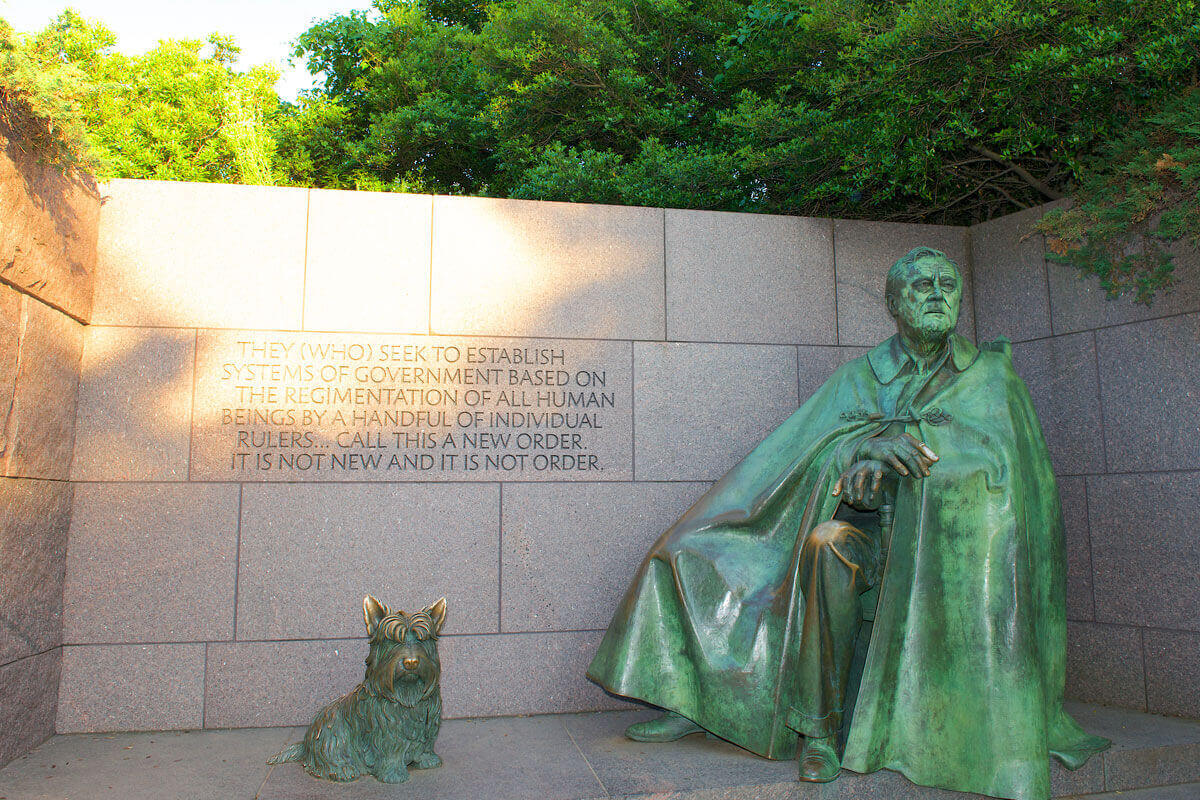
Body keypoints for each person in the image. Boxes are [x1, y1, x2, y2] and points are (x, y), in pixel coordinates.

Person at [586, 246, 1109, 800]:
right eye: (921, 285)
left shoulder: (991, 376)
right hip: (868, 537)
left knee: (828, 546)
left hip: (943, 557)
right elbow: (800, 452)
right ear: (893, 303)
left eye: (946, 284)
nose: (936, 294)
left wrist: (920, 460)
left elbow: (1007, 475)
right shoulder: (861, 377)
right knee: (751, 546)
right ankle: (763, 716)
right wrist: (863, 450)